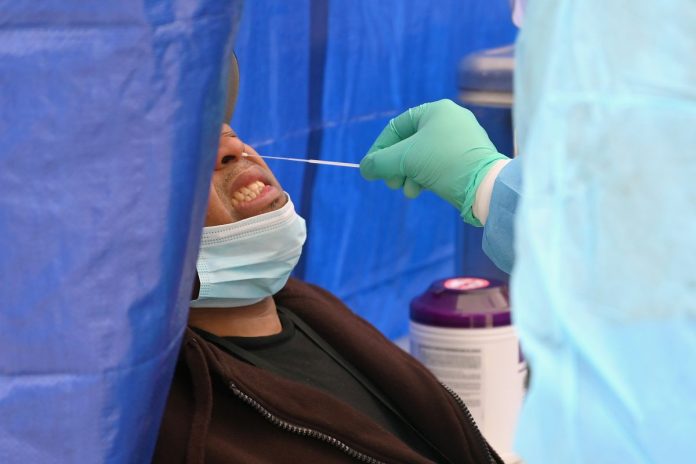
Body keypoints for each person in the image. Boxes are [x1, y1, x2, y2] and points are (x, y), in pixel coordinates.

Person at [153, 124, 503, 464]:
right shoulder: (185, 425)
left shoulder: (313, 310)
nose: (233, 148)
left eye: (229, 132)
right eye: (187, 156)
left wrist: (492, 187)